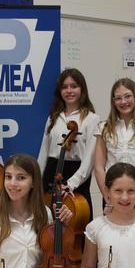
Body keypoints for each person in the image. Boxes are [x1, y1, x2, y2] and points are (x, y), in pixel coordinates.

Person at [94, 78, 135, 216]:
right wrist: (108, 199)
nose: (123, 102)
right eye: (118, 98)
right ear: (113, 101)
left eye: (128, 96)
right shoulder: (103, 128)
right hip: (112, 196)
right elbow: (99, 168)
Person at [37, 68, 99, 211]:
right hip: (51, 173)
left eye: (74, 86)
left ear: (82, 89)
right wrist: (38, 180)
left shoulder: (92, 119)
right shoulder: (53, 117)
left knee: (76, 221)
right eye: (64, 87)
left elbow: (89, 160)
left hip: (76, 175)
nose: (69, 91)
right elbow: (43, 153)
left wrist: (71, 184)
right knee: (47, 222)